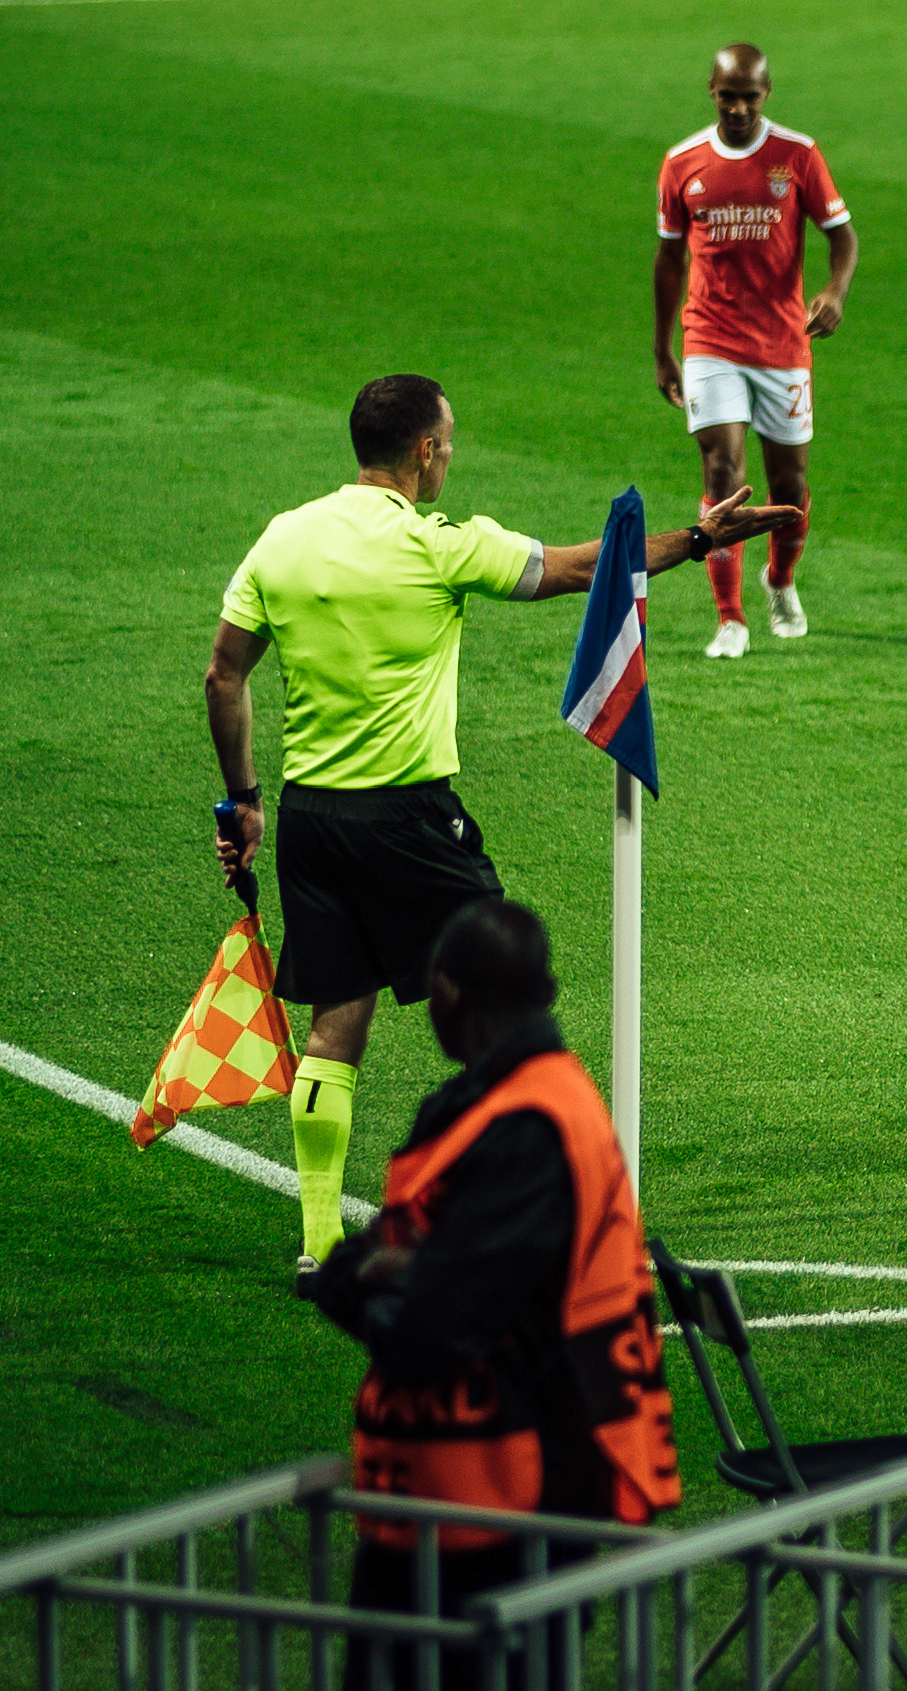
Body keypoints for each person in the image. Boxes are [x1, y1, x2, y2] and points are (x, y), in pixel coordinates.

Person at [205, 372, 791, 1277]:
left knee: (336, 1018)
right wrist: (700, 536)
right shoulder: (440, 543)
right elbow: (579, 569)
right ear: (427, 451)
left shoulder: (282, 537)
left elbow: (224, 674)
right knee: (507, 995)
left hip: (311, 818)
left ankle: (321, 1238)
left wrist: (241, 800)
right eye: (450, 441)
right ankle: (545, 1208)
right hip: (408, 815)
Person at [311, 898, 679, 1690]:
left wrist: (393, 1280)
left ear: (448, 992)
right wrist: (388, 1276)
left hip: (504, 1512)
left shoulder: (530, 1128)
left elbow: (425, 1332)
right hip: (440, 1506)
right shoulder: (490, 1106)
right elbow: (351, 1271)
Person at [653, 43, 858, 659]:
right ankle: (729, 617)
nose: (738, 107)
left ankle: (781, 578)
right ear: (710, 90)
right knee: (722, 470)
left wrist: (834, 291)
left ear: (766, 94)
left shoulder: (796, 155)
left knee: (789, 484)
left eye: (750, 96)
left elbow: (842, 237)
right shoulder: (682, 162)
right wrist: (663, 349)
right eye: (727, 95)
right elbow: (668, 259)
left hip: (782, 342)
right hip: (710, 337)